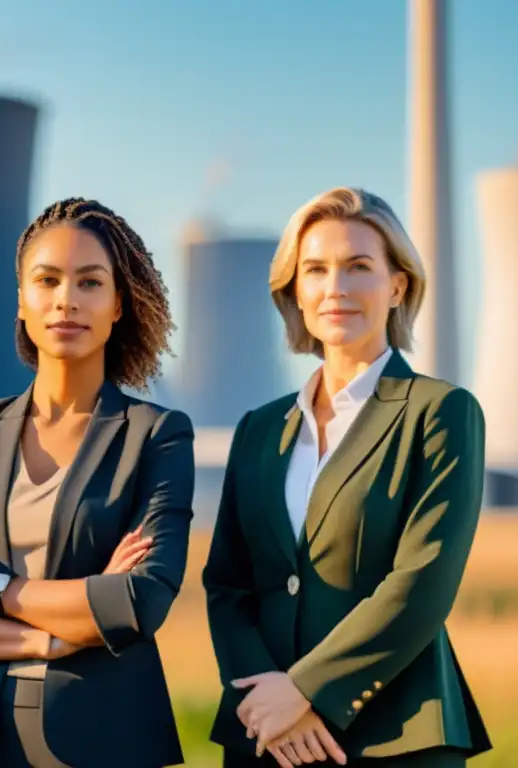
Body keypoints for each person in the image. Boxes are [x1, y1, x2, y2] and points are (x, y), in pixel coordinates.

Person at [0, 198, 195, 768]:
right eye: (48, 280)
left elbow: (139, 599)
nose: (67, 300)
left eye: (90, 282)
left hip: (106, 736)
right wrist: (47, 639)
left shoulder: (156, 437)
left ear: (117, 306)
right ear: (22, 303)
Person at [202, 187, 492, 767]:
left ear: (397, 285)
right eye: (316, 270)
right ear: (295, 291)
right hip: (267, 739)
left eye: (359, 266)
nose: (335, 288)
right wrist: (266, 699)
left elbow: (421, 584)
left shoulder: (439, 412)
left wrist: (306, 690)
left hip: (396, 735)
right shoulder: (259, 430)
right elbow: (228, 586)